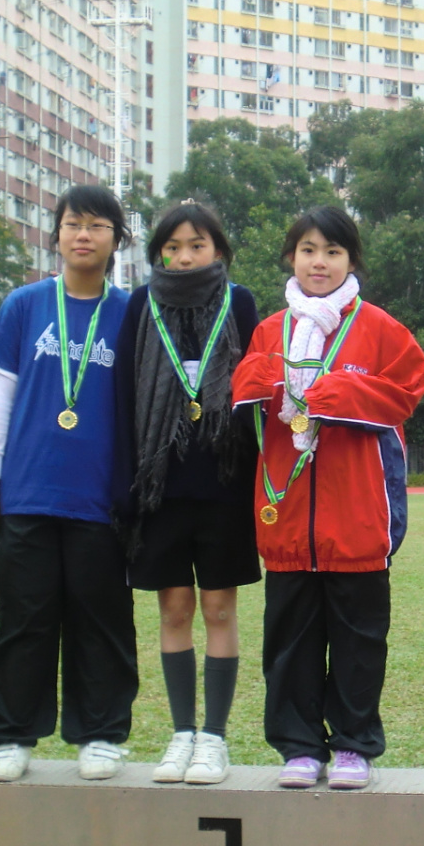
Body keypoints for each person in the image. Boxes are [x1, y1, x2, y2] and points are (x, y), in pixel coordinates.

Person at [230, 205, 424, 790]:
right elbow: (243, 389)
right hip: (287, 514)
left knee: (359, 643)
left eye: (333, 252)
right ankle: (297, 747)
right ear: (291, 257)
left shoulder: (380, 328)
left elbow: (407, 390)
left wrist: (332, 391)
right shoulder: (270, 330)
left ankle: (352, 746)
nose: (320, 262)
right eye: (309, 250)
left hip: (358, 518)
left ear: (351, 260)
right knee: (288, 642)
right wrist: (270, 382)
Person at [0, 184, 137, 783]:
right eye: (72, 223)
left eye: (97, 225)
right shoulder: (25, 305)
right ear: (57, 234)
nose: (83, 235)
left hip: (101, 499)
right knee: (24, 620)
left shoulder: (131, 314)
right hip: (27, 492)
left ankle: (102, 734)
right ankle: (12, 735)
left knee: (102, 621)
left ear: (117, 239)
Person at [115, 201, 260, 786]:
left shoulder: (240, 303)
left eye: (196, 245)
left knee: (220, 609)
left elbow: (255, 391)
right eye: (172, 247)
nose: (183, 257)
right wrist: (127, 484)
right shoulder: (140, 304)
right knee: (174, 610)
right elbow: (124, 395)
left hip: (225, 483)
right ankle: (181, 734)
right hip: (160, 487)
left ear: (217, 250)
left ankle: (214, 739)